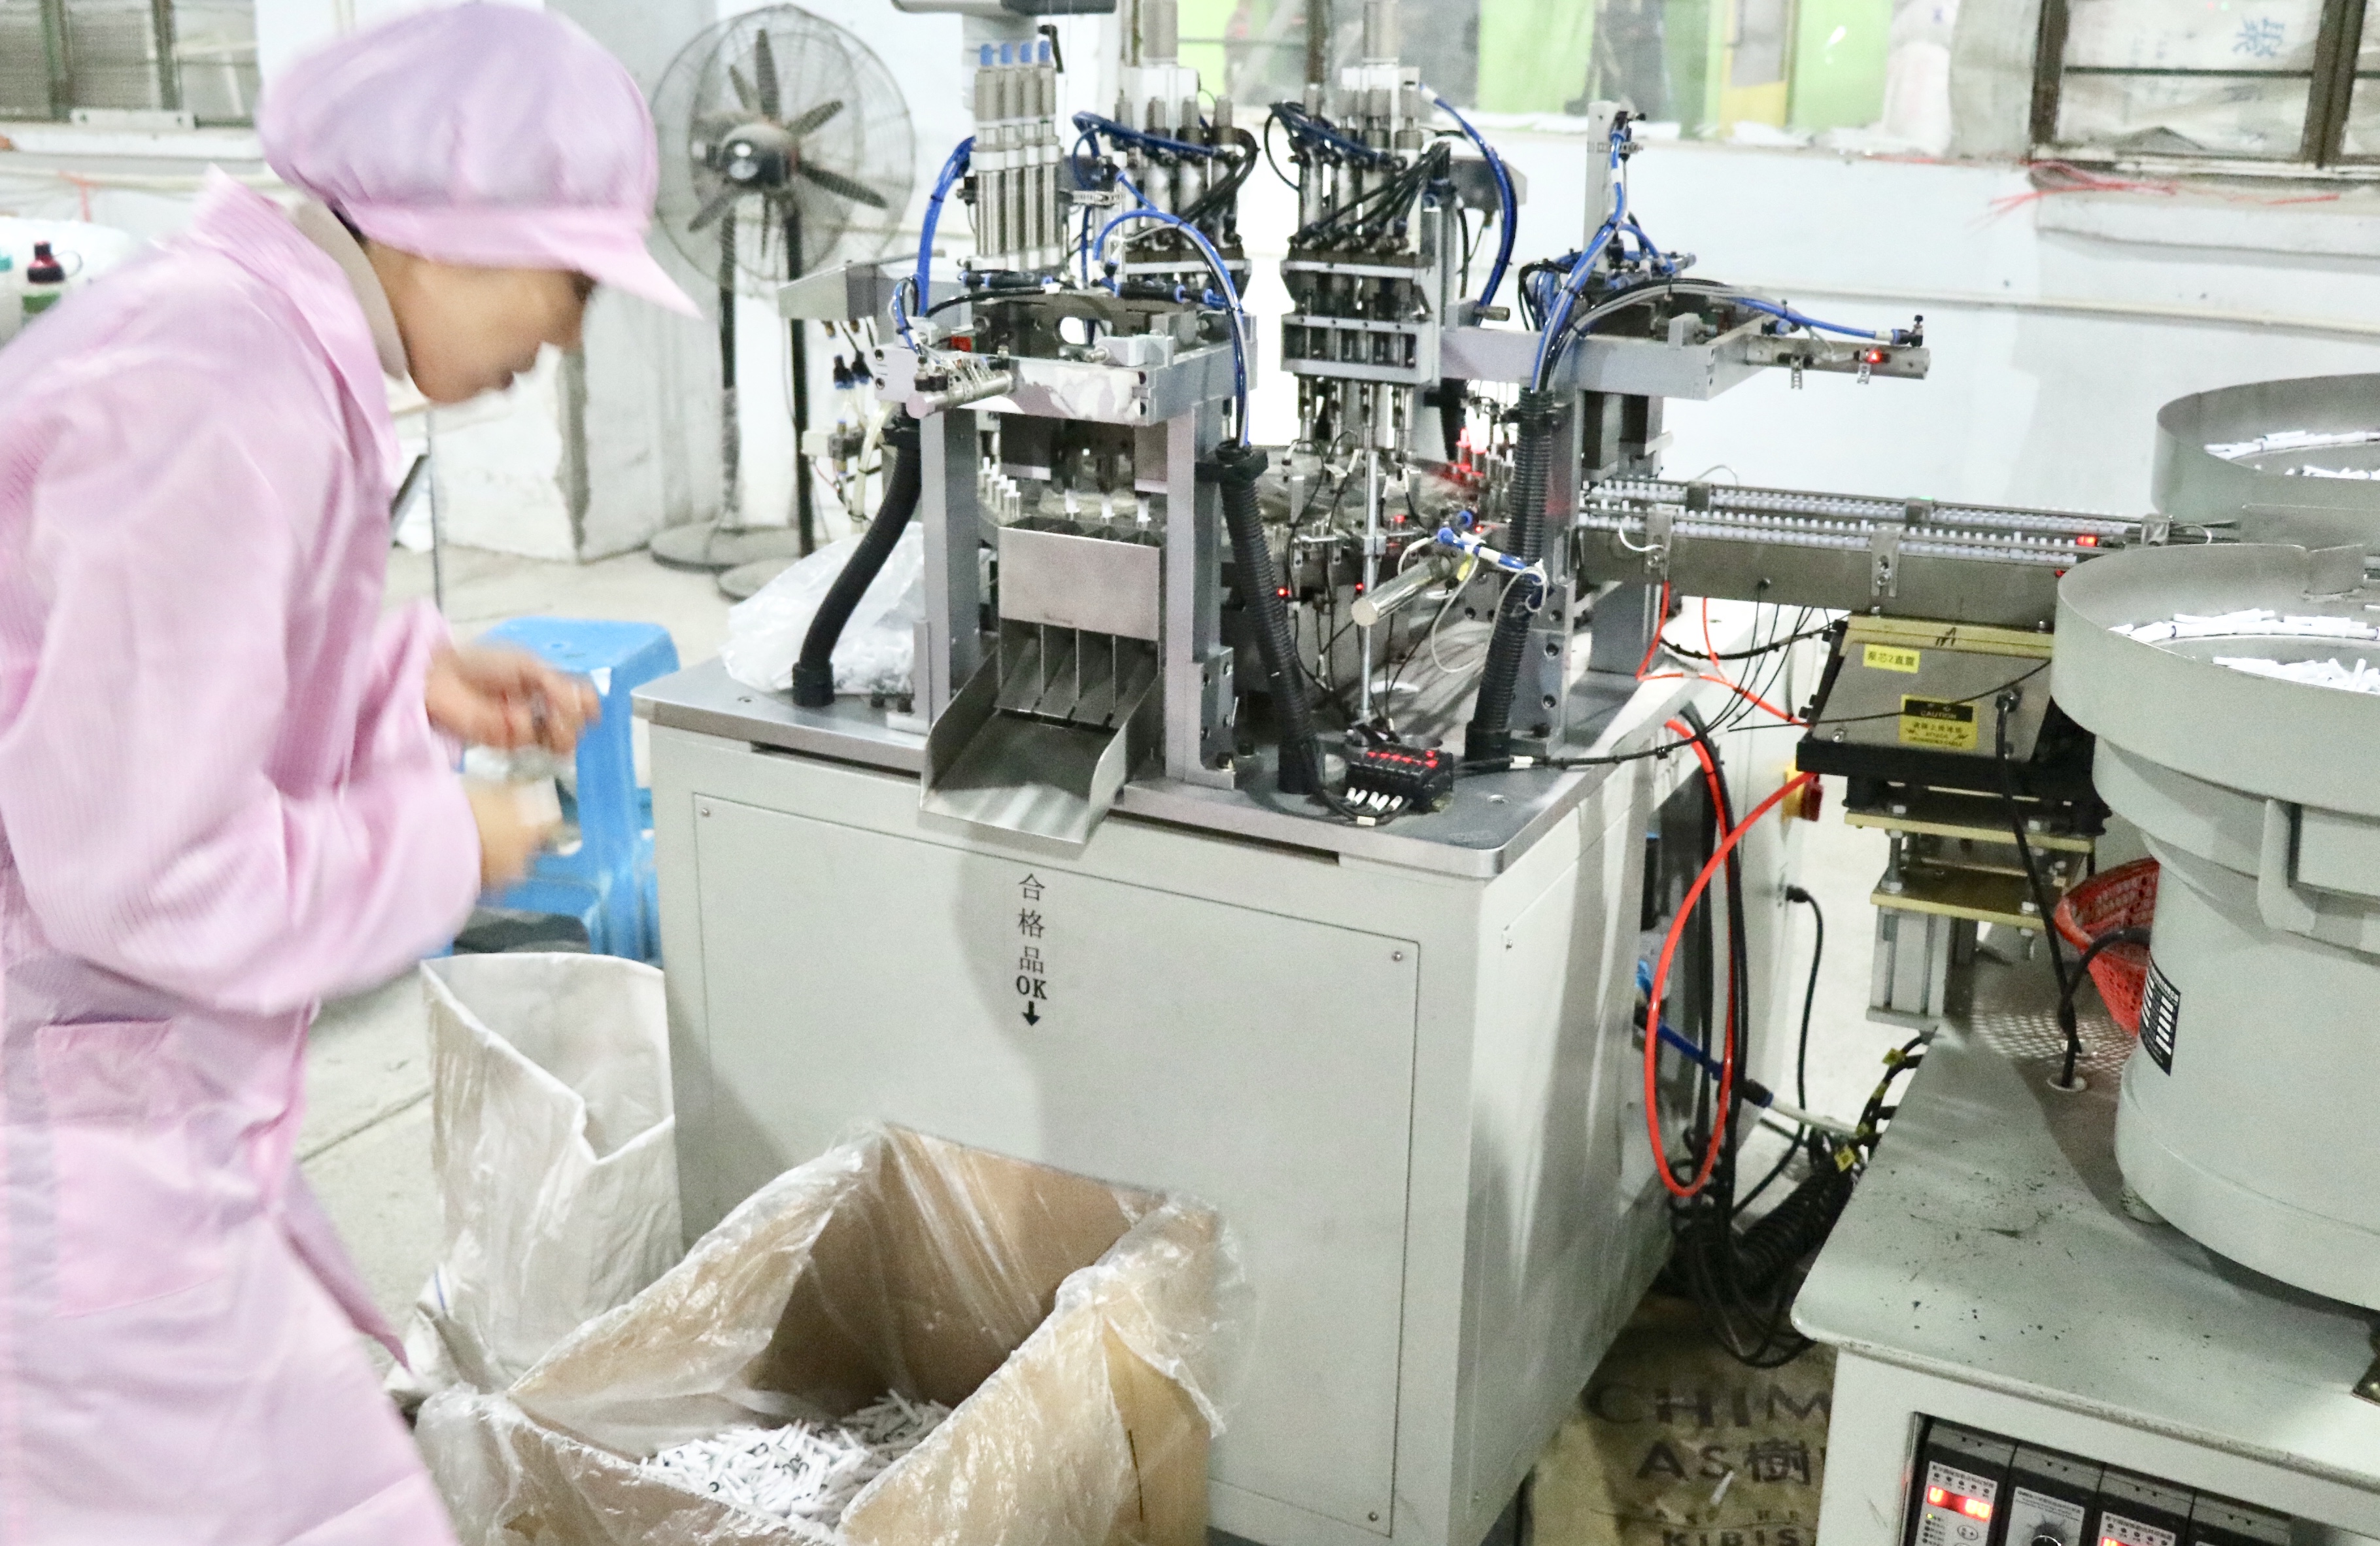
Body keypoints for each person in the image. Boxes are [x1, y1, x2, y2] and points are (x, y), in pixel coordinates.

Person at [0, 8, 698, 1540]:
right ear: (444, 230)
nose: (567, 338)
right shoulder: (220, 394)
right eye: (571, 282)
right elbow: (142, 870)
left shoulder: (245, 350)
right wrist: (442, 844)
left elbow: (142, 678)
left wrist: (397, 677)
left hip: (113, 1091)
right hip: (58, 1121)